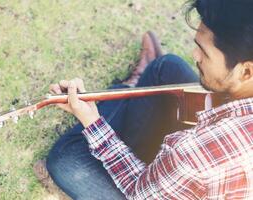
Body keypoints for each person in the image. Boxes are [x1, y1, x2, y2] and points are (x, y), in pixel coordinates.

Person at [34, 0, 253, 199]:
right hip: (196, 175)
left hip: (151, 189)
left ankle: (125, 96)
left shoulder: (193, 155)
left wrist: (92, 121)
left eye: (204, 52)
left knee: (66, 160)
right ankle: (133, 101)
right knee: (166, 67)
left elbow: (137, 189)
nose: (194, 55)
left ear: (246, 72)